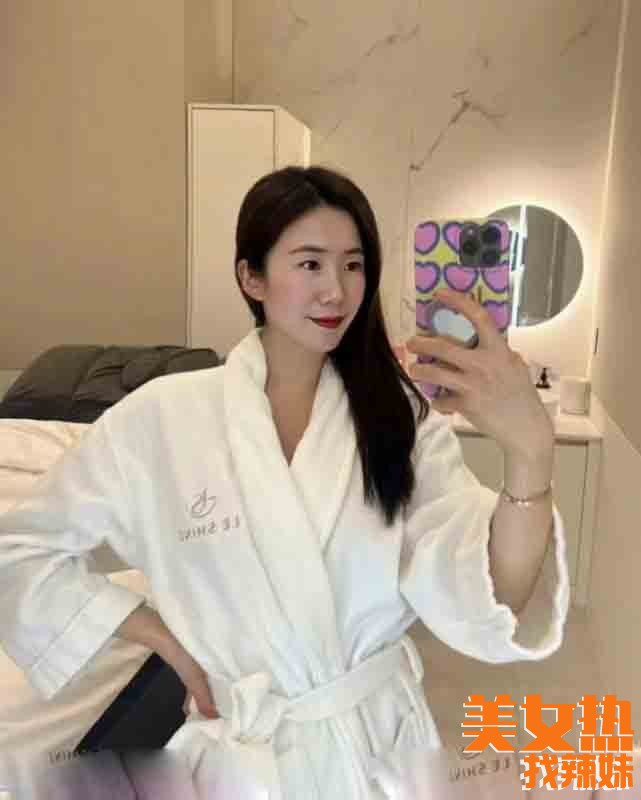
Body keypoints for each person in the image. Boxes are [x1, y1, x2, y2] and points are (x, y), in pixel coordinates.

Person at [0, 165, 569, 799]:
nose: (336, 291)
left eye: (353, 265)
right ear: (252, 277)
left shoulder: (398, 419)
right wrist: (161, 637)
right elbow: (18, 548)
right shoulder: (160, 418)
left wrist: (530, 453)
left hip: (376, 749)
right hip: (243, 759)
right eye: (310, 264)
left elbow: (493, 592)